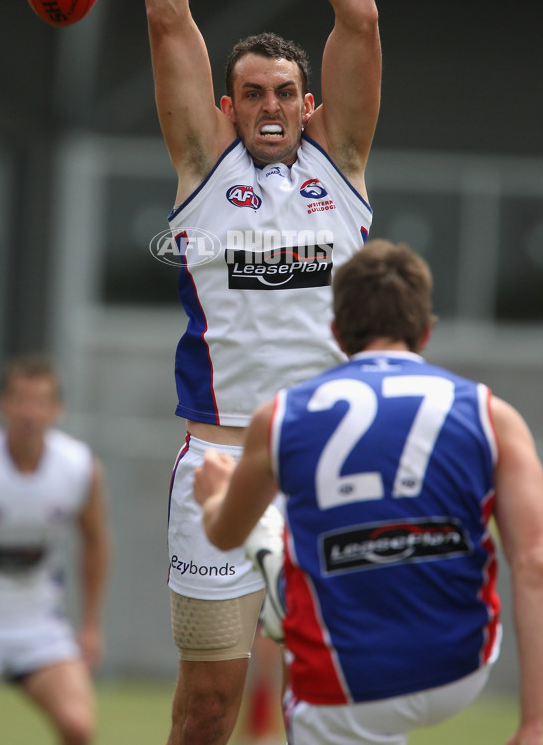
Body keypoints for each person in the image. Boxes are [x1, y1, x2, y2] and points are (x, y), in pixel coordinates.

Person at [136, 0, 381, 743]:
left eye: (289, 89)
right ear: (229, 106)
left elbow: (358, 19)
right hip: (221, 466)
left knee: (340, 703)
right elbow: (166, 18)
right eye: (255, 92)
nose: (273, 104)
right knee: (208, 705)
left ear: (309, 103)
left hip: (330, 465)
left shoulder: (345, 166)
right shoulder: (202, 166)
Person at [193, 239, 543, 745]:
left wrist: (212, 498)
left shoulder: (280, 416)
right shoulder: (494, 414)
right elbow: (532, 560)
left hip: (345, 679)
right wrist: (535, 722)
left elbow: (224, 534)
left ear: (336, 334)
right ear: (424, 332)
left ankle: (273, 558)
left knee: (278, 550)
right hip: (461, 666)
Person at [0, 353, 110, 745]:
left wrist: (90, 625)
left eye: (40, 401)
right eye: (19, 399)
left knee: (78, 727)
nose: (29, 412)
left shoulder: (79, 468)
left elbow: (96, 542)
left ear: (58, 409)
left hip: (38, 626)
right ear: (1, 403)